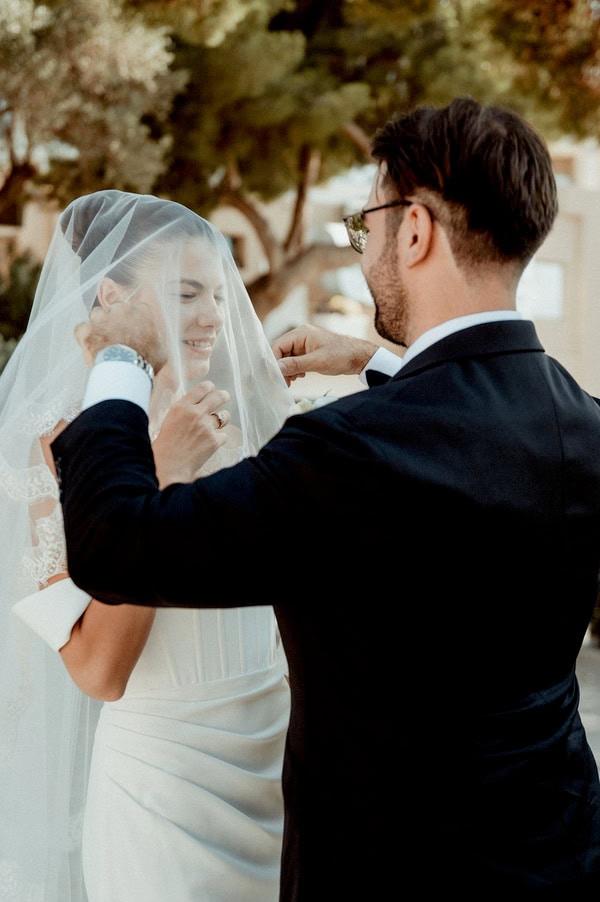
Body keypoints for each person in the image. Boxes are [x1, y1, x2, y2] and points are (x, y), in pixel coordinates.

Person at [52, 97, 600, 898]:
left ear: (414, 231)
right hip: (559, 855)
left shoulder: (346, 451)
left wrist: (120, 362)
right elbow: (470, 438)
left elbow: (114, 545)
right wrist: (384, 364)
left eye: (364, 225)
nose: (363, 249)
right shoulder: (582, 425)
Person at [0, 190, 295, 901]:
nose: (213, 316)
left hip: (277, 772)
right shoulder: (60, 443)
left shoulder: (236, 427)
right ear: (113, 297)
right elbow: (99, 669)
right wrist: (163, 478)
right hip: (164, 794)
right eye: (187, 292)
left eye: (218, 294)